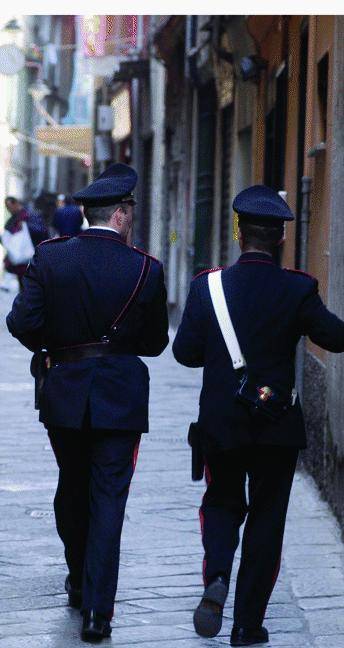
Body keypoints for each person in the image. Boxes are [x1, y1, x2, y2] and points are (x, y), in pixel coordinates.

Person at [173, 185, 344, 647]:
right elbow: (335, 337)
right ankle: (248, 626)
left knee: (222, 503)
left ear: (238, 233)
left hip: (222, 424)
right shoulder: (299, 289)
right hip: (276, 426)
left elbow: (185, 353)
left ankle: (218, 576)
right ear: (281, 240)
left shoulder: (206, 286)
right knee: (268, 520)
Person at [6, 163, 169, 643]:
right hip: (120, 394)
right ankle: (98, 611)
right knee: (108, 499)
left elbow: (21, 322)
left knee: (71, 489)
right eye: (131, 211)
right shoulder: (146, 267)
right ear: (120, 214)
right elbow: (156, 342)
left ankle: (79, 578)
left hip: (65, 390)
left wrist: (56, 347)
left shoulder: (51, 258)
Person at [2, 197, 48, 290]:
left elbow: (42, 231)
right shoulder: (12, 219)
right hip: (20, 260)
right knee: (23, 287)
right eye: (7, 207)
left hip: (33, 257)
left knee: (30, 287)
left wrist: (26, 226)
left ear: (16, 204)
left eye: (9, 207)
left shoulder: (30, 215)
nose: (9, 210)